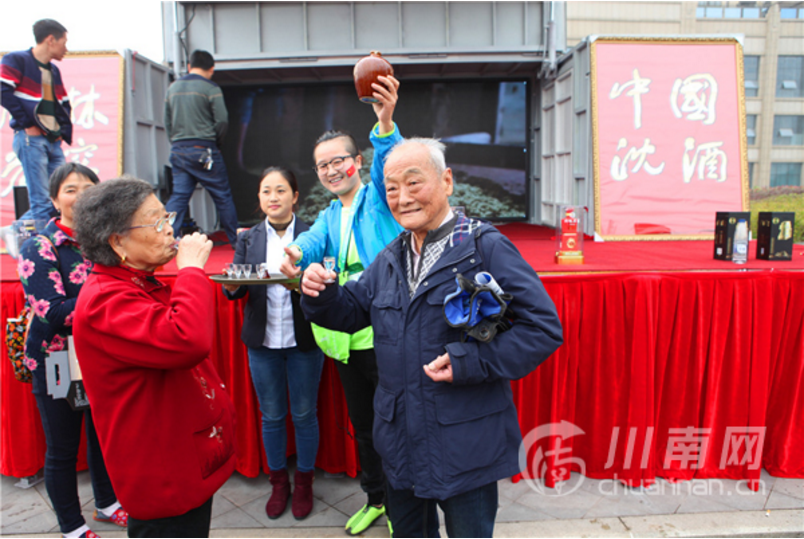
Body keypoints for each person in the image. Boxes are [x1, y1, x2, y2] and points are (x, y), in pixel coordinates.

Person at [299, 138, 564, 538]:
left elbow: (542, 327)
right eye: (391, 188)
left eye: (413, 183)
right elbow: (350, 312)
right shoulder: (391, 256)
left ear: (447, 181)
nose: (402, 198)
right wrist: (321, 293)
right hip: (400, 442)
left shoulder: (483, 247)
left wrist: (470, 362)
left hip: (464, 442)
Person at [72, 178, 236, 538]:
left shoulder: (134, 282)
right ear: (117, 242)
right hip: (160, 473)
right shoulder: (104, 300)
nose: (170, 230)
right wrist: (191, 270)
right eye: (157, 222)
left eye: (168, 217)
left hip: (182, 456)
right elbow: (187, 340)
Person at [279, 75, 402, 535]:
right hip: (348, 341)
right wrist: (296, 252)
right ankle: (376, 499)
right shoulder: (329, 215)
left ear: (357, 162)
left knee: (397, 426)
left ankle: (403, 506)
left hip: (387, 335)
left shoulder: (379, 198)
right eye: (322, 166)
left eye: (338, 161)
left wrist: (385, 123)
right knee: (364, 427)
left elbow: (388, 162)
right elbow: (311, 240)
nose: (331, 171)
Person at [17, 163, 127, 538]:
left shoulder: (105, 242)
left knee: (103, 436)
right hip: (58, 359)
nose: (80, 195)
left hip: (100, 356)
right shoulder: (39, 246)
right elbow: (53, 312)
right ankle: (71, 525)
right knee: (63, 447)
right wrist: (114, 300)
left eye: (88, 187)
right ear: (54, 200)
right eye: (70, 189)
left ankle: (107, 504)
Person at [222, 167, 324, 520]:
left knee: (305, 414)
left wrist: (302, 284)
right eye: (266, 191)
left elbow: (326, 281)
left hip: (303, 340)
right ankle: (279, 483)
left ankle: (305, 483)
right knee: (272, 416)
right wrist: (231, 286)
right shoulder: (248, 238)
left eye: (281, 190)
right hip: (262, 342)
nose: (273, 197)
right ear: (259, 198)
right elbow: (235, 285)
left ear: (295, 196)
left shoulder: (312, 234)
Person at [1, 19, 72, 256]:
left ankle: (15, 230)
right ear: (50, 40)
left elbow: (63, 103)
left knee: (58, 197)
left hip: (52, 140)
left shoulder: (53, 70)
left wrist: (61, 132)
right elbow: (3, 90)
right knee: (42, 202)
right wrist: (26, 123)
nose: (66, 48)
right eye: (64, 42)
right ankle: (43, 254)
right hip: (30, 138)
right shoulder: (16, 60)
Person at [164, 49, 239, 247]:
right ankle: (236, 241)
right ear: (211, 69)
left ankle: (166, 239)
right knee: (222, 196)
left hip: (179, 149)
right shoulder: (210, 88)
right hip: (204, 150)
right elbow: (222, 120)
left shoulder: (173, 88)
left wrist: (176, 142)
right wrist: (215, 143)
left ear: (189, 66)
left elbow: (167, 122)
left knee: (179, 197)